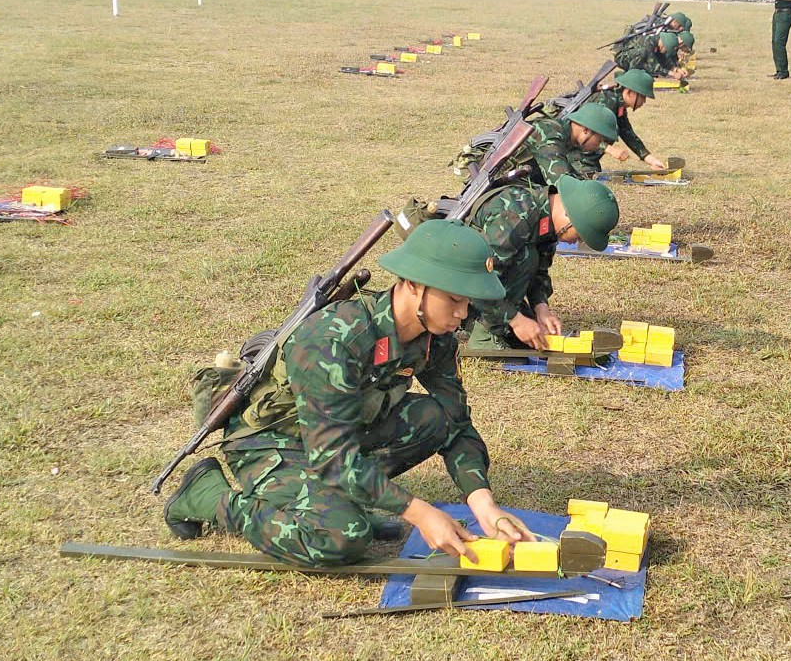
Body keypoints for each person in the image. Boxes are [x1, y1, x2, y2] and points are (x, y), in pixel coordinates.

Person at [163, 219, 532, 567]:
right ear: (414, 285)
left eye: (467, 302)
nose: (461, 314)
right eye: (454, 299)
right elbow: (333, 458)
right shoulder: (335, 339)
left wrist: (484, 504)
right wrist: (419, 512)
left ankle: (340, 499)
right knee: (340, 537)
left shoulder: (435, 338)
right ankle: (207, 496)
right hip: (271, 442)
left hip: (334, 436)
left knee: (433, 418)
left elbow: (456, 421)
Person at [464, 174, 619, 351]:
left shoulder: (546, 220)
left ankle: (498, 324)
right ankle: (485, 335)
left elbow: (539, 271)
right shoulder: (517, 215)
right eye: (579, 235)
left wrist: (541, 308)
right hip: (457, 278)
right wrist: (515, 320)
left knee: (530, 334)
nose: (576, 242)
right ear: (568, 216)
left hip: (479, 280)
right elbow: (477, 276)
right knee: (527, 257)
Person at [454, 101, 619, 188]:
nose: (599, 146)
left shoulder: (560, 132)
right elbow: (561, 182)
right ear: (586, 131)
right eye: (600, 140)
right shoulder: (552, 133)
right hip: (494, 182)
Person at [546, 69, 665, 174]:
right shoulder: (606, 100)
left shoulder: (617, 103)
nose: (643, 102)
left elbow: (627, 133)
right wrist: (610, 150)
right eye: (642, 97)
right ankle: (578, 164)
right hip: (571, 152)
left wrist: (651, 160)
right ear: (629, 92)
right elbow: (585, 130)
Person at [614, 31, 678, 78]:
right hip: (621, 58)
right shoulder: (648, 43)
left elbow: (662, 59)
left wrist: (675, 69)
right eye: (666, 50)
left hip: (631, 58)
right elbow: (653, 66)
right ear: (663, 44)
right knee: (642, 53)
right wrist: (672, 74)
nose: (665, 52)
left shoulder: (656, 43)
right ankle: (631, 76)